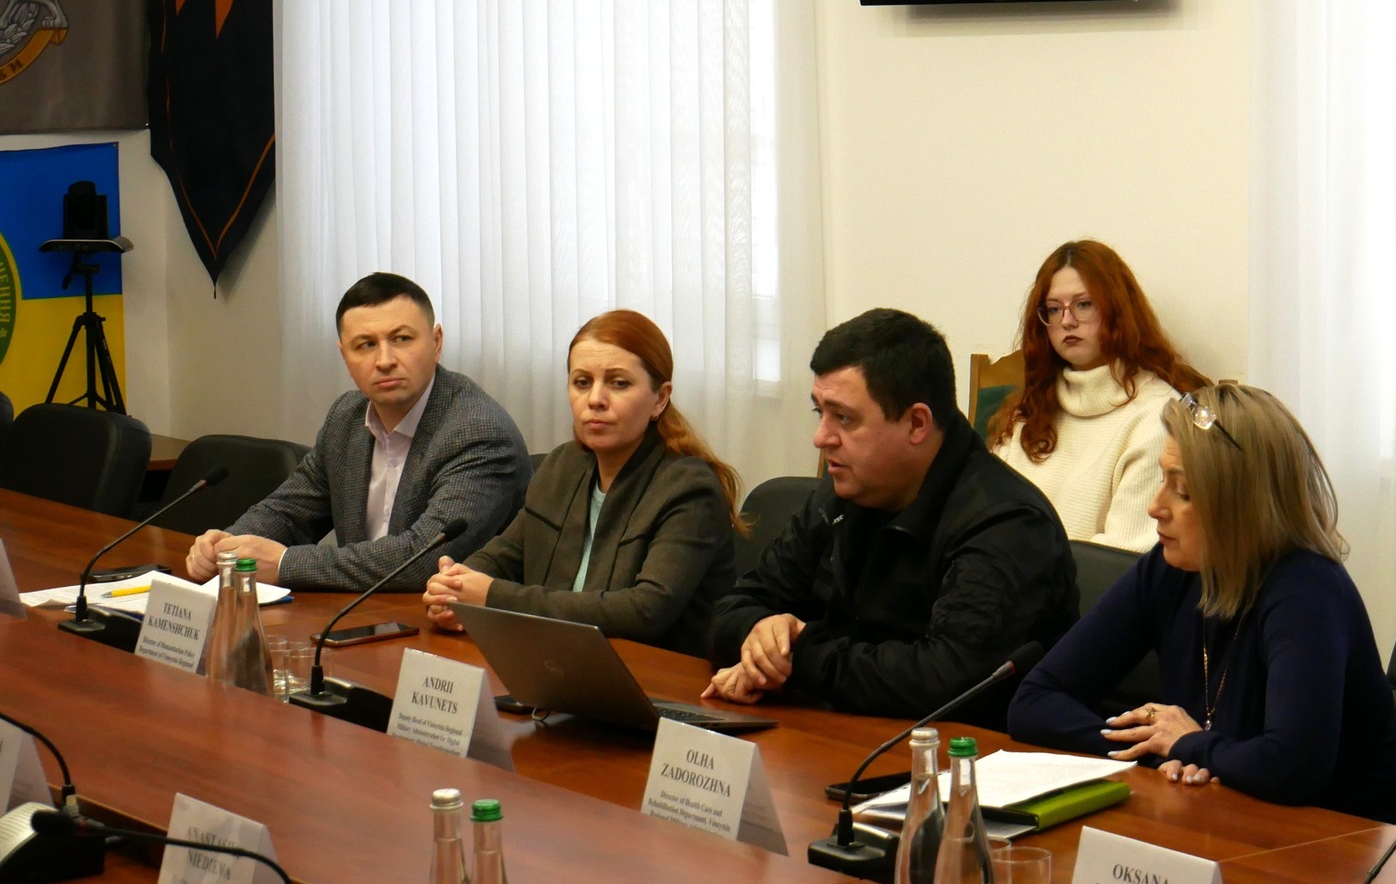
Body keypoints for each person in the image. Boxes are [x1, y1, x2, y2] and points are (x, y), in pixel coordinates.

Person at [1007, 385, 1396, 824]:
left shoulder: (1307, 591)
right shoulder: (1169, 568)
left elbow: (1292, 767)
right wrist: (1157, 751)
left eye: (1182, 491)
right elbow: (1036, 700)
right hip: (1240, 819)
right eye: (1162, 480)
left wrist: (1188, 745)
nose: (1155, 507)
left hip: (1373, 836)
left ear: (1241, 504)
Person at [705, 308, 1078, 725]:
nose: (821, 437)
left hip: (965, 754)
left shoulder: (1006, 523)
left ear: (917, 423)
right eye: (819, 412)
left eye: (844, 417)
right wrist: (765, 638)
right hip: (841, 732)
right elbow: (730, 611)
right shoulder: (841, 494)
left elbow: (946, 681)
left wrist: (799, 654)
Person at [421, 310, 741, 655]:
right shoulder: (562, 466)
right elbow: (503, 556)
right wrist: (454, 587)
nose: (595, 399)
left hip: (652, 675)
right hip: (558, 659)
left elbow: (645, 610)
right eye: (582, 382)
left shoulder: (689, 489)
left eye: (619, 383)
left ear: (660, 399)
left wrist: (492, 597)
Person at [185, 273, 529, 591]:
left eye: (402, 339)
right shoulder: (346, 418)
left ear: (436, 342)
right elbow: (289, 511)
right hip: (361, 614)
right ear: (344, 356)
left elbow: (423, 560)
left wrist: (285, 564)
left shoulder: (478, 432)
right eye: (365, 345)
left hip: (443, 622)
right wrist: (227, 546)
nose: (384, 360)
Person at [987, 239, 1209, 551]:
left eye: (1083, 304)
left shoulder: (1156, 417)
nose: (1067, 321)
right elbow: (985, 524)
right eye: (1054, 309)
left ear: (1118, 310)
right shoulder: (1029, 409)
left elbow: (1121, 558)